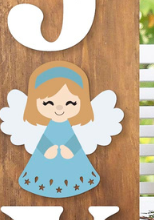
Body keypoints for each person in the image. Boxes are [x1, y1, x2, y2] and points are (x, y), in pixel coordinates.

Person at [18, 61, 99, 198]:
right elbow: (42, 140)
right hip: (45, 163)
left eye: (70, 103)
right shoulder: (48, 128)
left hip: (73, 163)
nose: (59, 108)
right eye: (48, 103)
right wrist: (46, 149)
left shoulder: (70, 128)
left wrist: (71, 149)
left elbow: (75, 140)